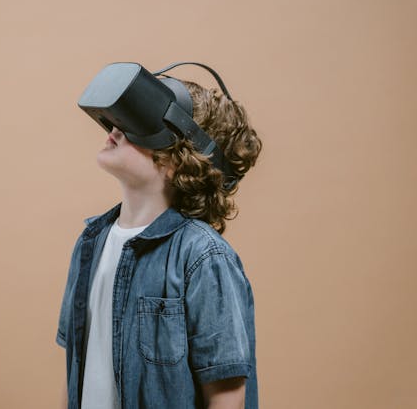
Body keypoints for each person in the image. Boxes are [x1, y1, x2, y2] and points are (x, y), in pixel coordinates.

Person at [56, 71, 263, 409]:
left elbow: (227, 398)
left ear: (180, 160)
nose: (115, 130)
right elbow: (73, 371)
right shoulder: (90, 243)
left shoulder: (203, 257)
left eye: (138, 125)